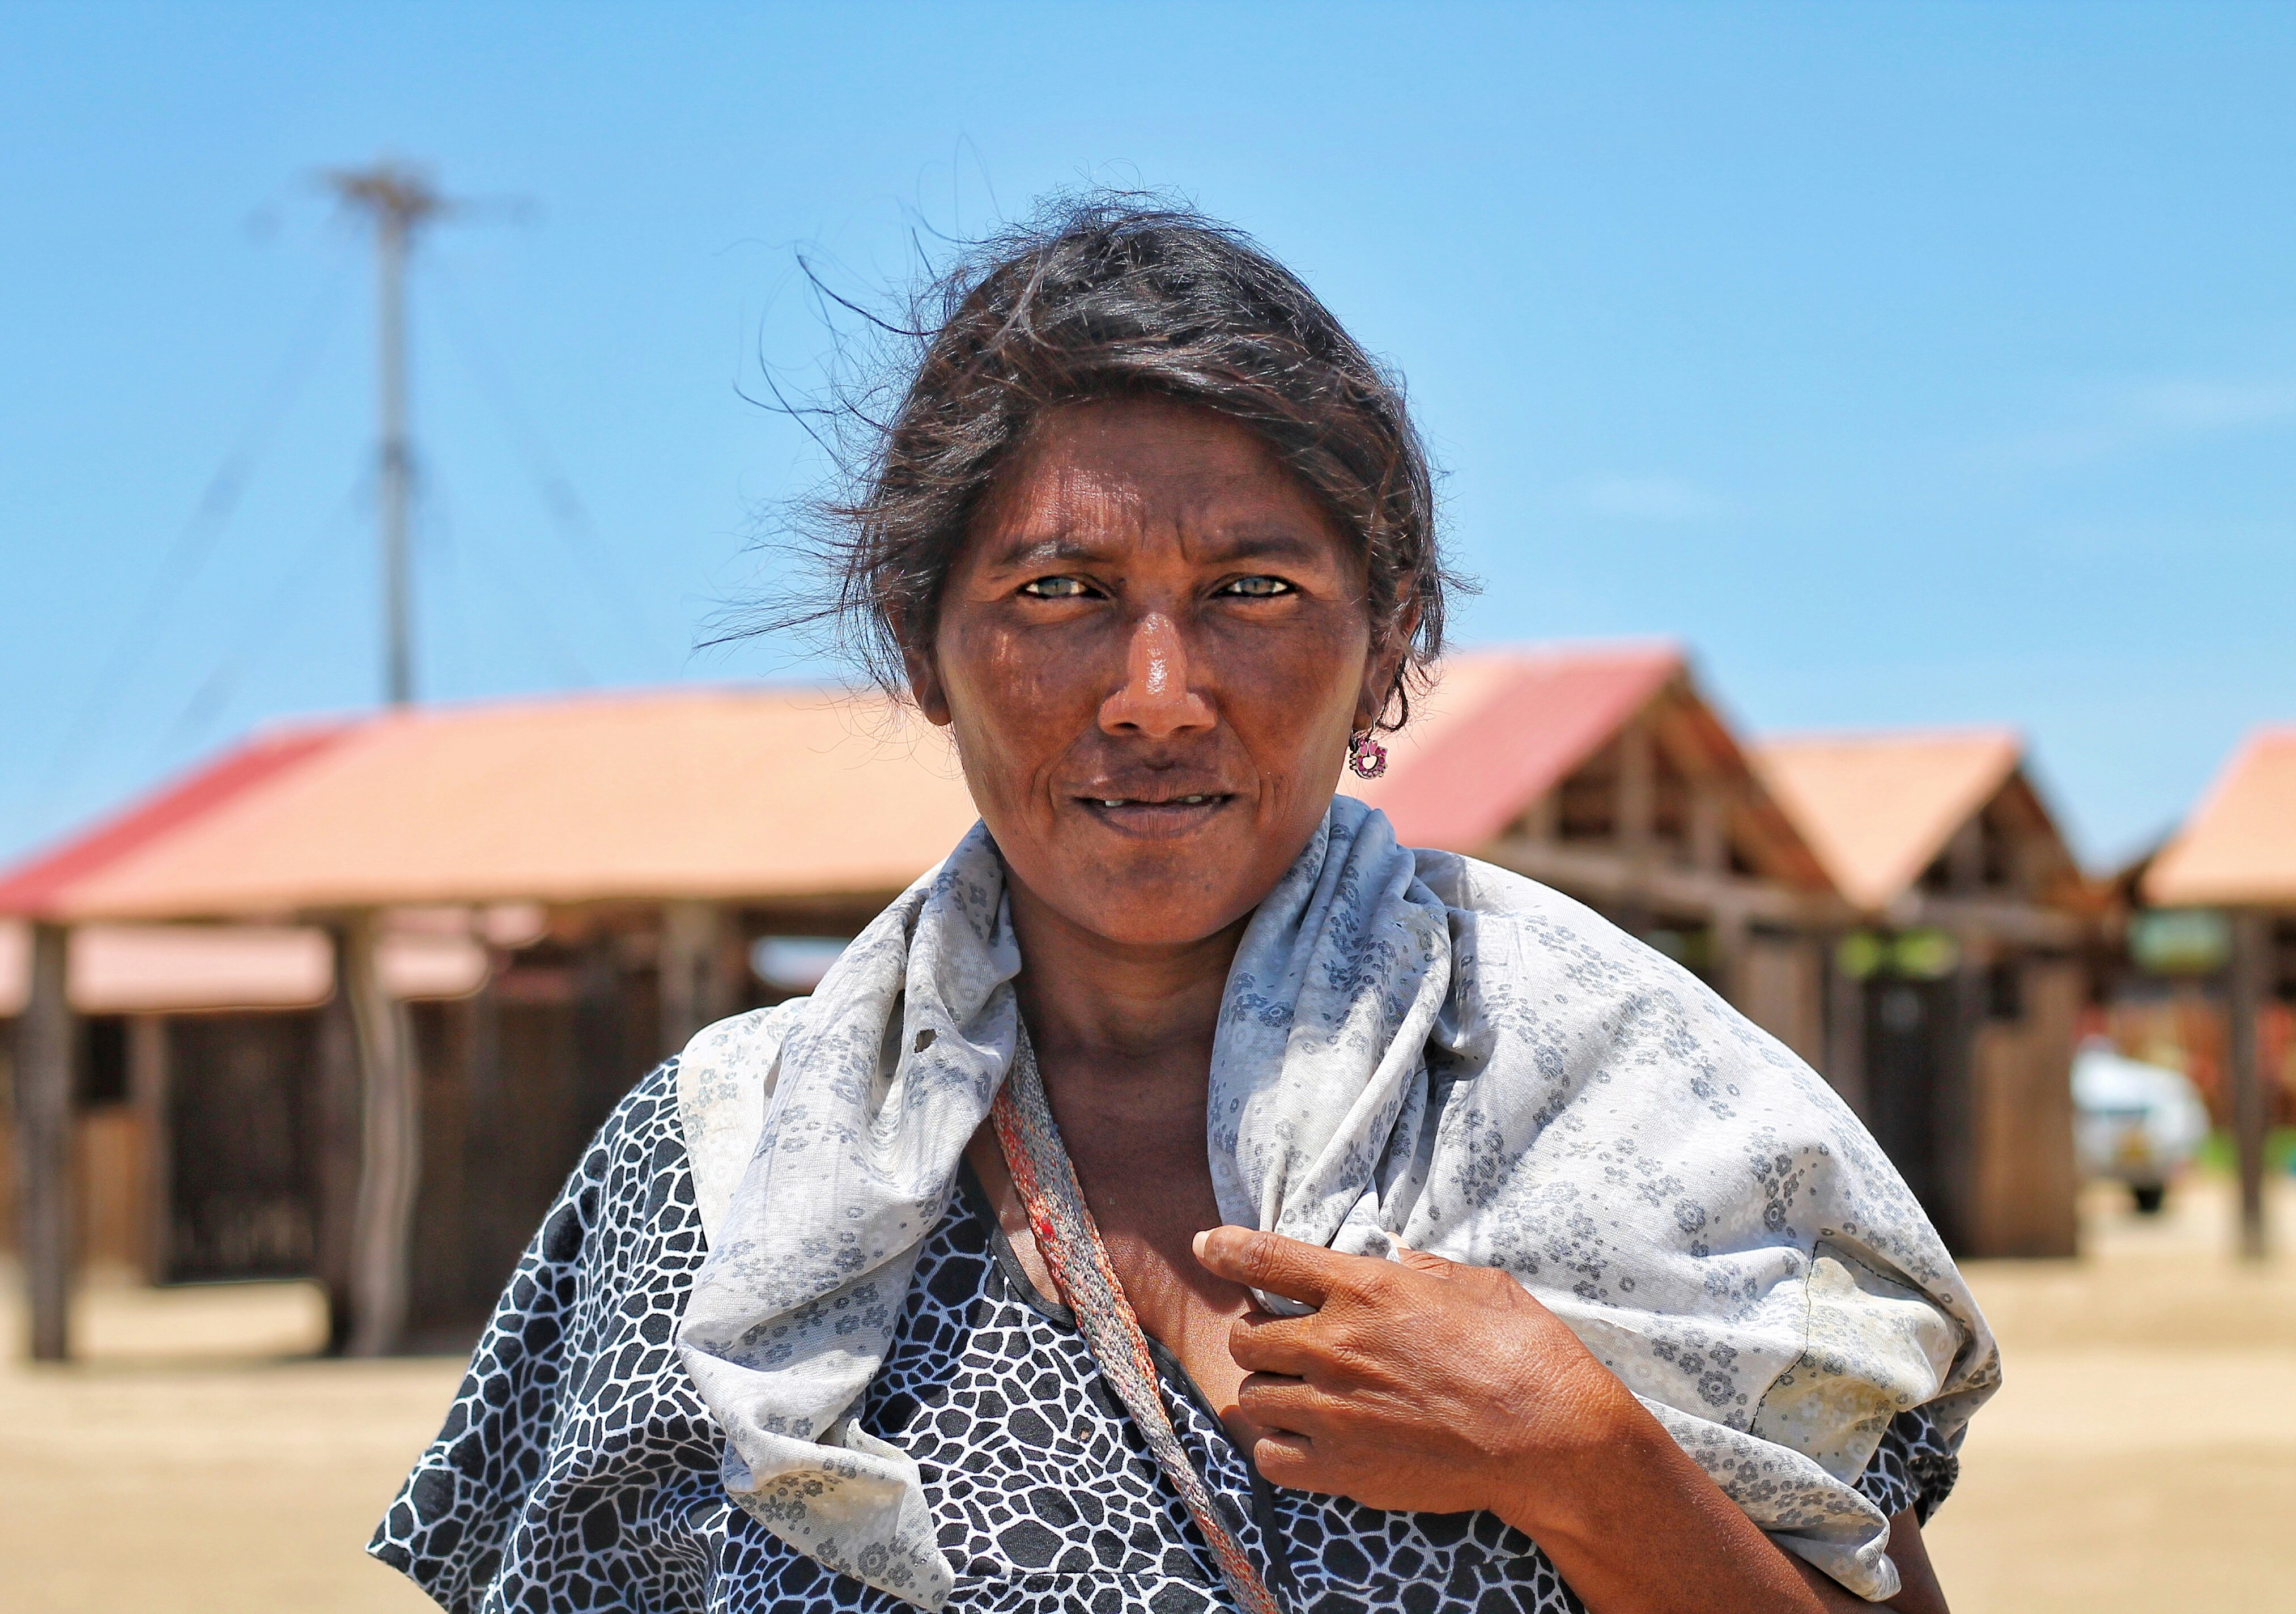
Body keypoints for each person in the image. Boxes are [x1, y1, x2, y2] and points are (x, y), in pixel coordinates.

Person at [371, 199, 1994, 1614]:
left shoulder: (1624, 1109)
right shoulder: (722, 1168)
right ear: (921, 642)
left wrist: (1580, 1457)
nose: (1158, 694)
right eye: (1059, 594)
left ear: (1390, 641)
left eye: (1255, 593)